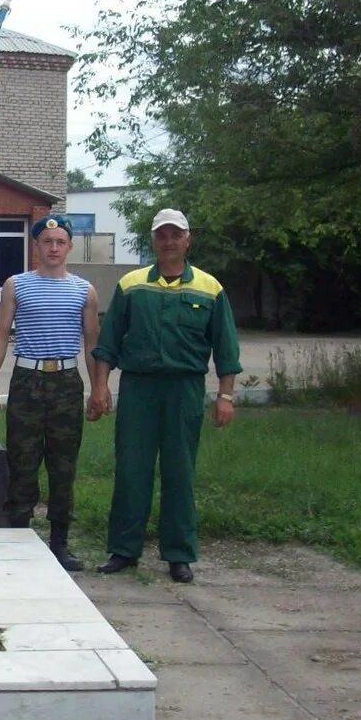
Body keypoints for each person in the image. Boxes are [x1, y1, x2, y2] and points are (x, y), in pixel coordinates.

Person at [88, 208, 241, 583]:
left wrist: (226, 396)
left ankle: (179, 554)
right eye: (162, 235)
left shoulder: (209, 288)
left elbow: (226, 348)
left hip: (184, 390)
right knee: (131, 469)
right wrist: (100, 386)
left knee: (179, 471)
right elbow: (108, 344)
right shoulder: (132, 285)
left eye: (176, 234)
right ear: (153, 241)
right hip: (139, 388)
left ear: (188, 239)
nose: (169, 241)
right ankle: (124, 550)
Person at [0, 216, 102, 568]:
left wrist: (99, 388)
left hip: (66, 383)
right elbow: (1, 334)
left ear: (69, 246)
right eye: (46, 241)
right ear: (36, 246)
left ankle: (60, 543)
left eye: (60, 241)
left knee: (63, 464)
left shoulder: (84, 290)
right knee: (22, 460)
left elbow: (92, 341)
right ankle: (19, 535)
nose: (53, 248)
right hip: (27, 381)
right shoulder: (16, 285)